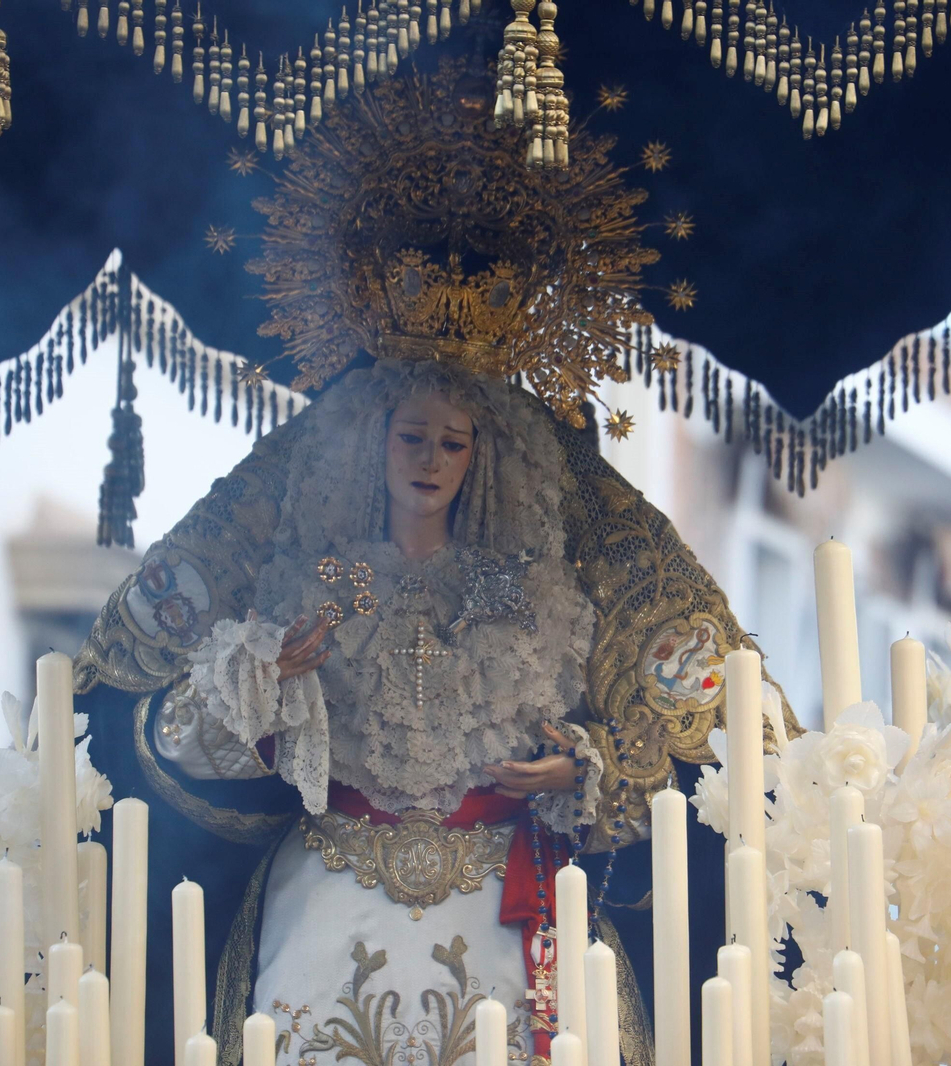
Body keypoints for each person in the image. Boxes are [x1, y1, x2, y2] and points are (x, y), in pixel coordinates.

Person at [72, 58, 798, 1066]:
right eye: (410, 437)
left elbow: (697, 702)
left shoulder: (557, 528)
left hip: (513, 911)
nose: (429, 460)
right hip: (326, 894)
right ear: (375, 439)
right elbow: (146, 697)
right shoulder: (304, 527)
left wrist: (582, 767)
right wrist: (256, 685)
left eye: (453, 443)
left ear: (485, 450)